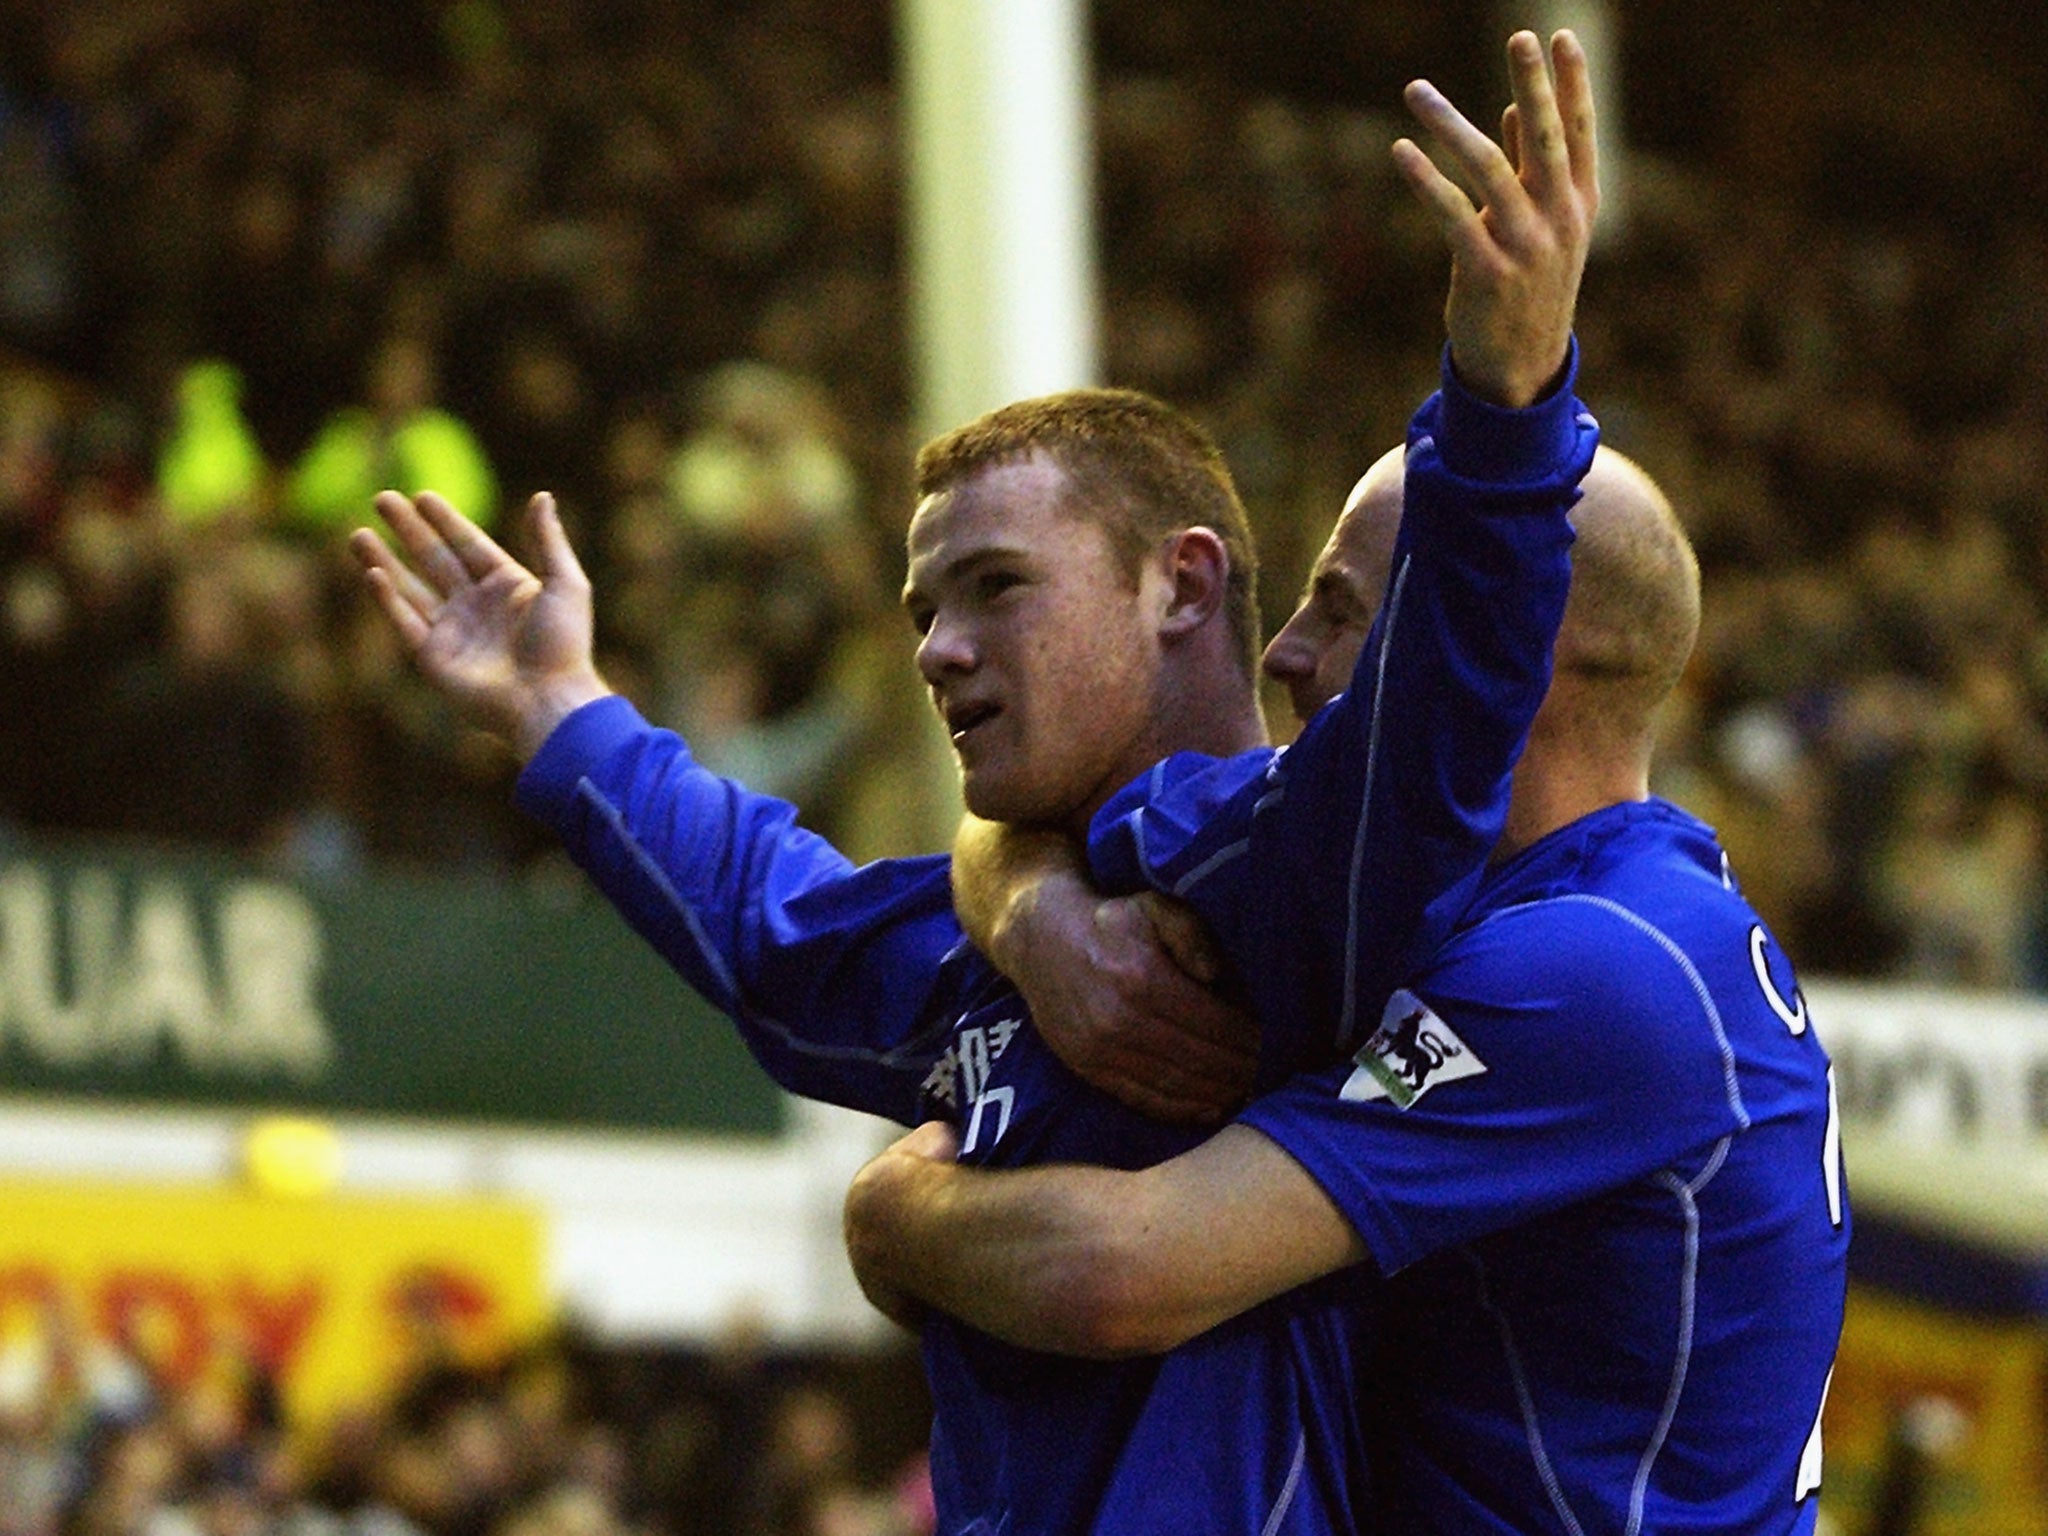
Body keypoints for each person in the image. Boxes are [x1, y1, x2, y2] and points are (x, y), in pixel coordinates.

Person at [351, 30, 1599, 1533]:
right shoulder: (991, 946)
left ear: (1182, 587)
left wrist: (1506, 394)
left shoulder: (1308, 883)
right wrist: (562, 709)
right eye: (921, 613)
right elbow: (775, 923)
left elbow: (1447, 702)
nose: (938, 651)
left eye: (996, 587)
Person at [841, 417, 1849, 1528]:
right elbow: (1066, 815)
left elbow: (1123, 1274)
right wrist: (1028, 904)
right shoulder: (1470, 904)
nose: (1280, 651)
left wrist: (894, 1213)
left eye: (1341, 609)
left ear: (1492, 635)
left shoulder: (1598, 965)